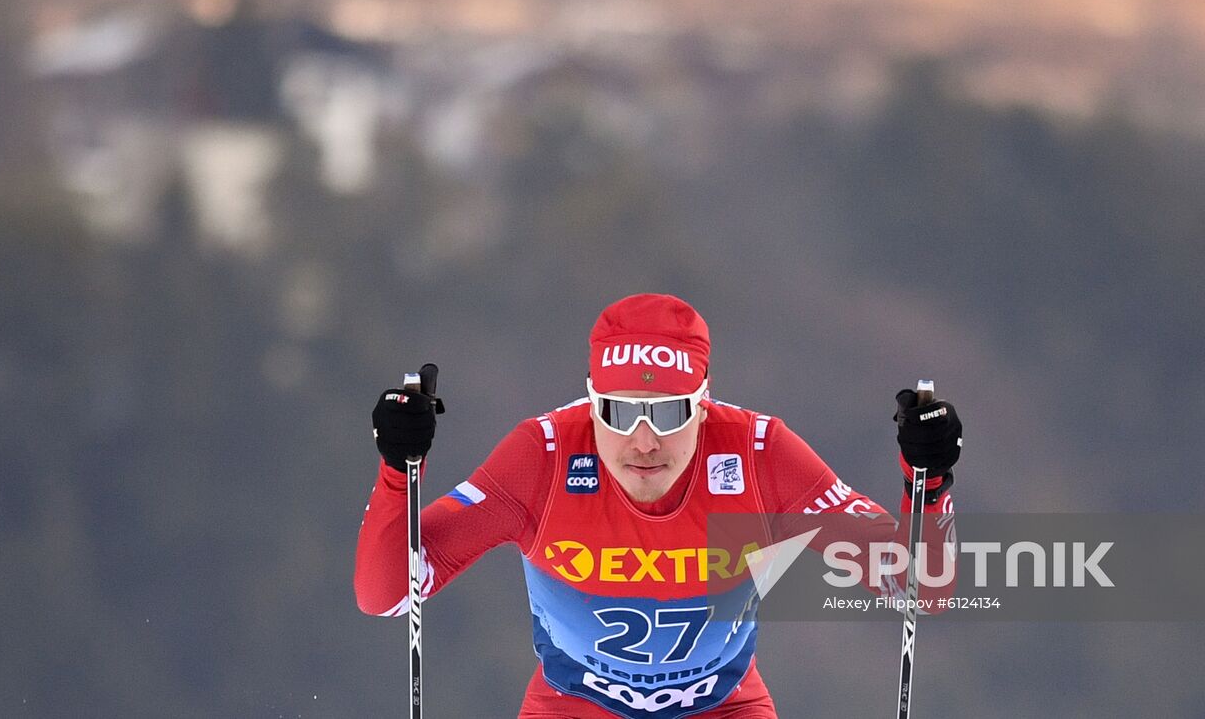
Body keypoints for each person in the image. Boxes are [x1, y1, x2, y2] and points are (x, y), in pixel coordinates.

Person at [355, 293, 963, 718]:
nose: (643, 441)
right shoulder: (542, 459)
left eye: (668, 413)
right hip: (575, 707)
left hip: (721, 707)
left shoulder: (759, 457)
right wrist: (396, 473)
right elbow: (385, 596)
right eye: (618, 412)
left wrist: (927, 485)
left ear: (704, 404)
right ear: (591, 403)